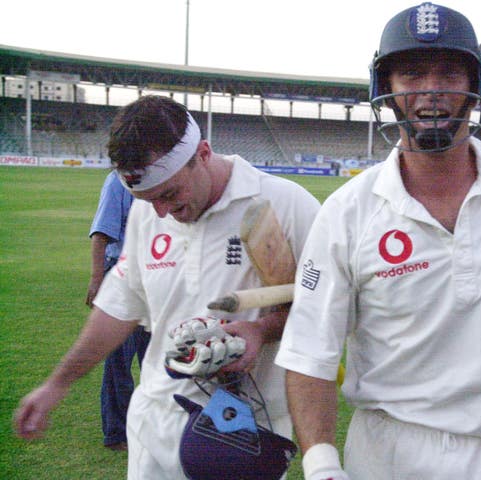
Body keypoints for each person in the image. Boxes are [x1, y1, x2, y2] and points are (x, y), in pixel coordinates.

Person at [275, 3, 481, 479]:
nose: (431, 90)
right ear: (386, 89)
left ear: (474, 88)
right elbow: (311, 354)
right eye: (412, 74)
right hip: (392, 454)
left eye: (450, 73)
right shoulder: (348, 211)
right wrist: (322, 465)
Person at [14, 95, 320, 479]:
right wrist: (57, 385)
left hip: (238, 436)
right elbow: (118, 307)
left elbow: (328, 309)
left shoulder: (285, 204)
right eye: (146, 199)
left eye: (169, 194)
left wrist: (261, 330)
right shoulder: (149, 212)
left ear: (203, 153)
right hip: (153, 423)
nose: (160, 212)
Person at [86, 169, 151, 451]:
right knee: (118, 363)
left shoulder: (160, 179)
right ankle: (117, 434)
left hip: (155, 279)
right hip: (123, 279)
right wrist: (97, 280)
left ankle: (153, 429)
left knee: (158, 360)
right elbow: (101, 234)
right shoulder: (118, 181)